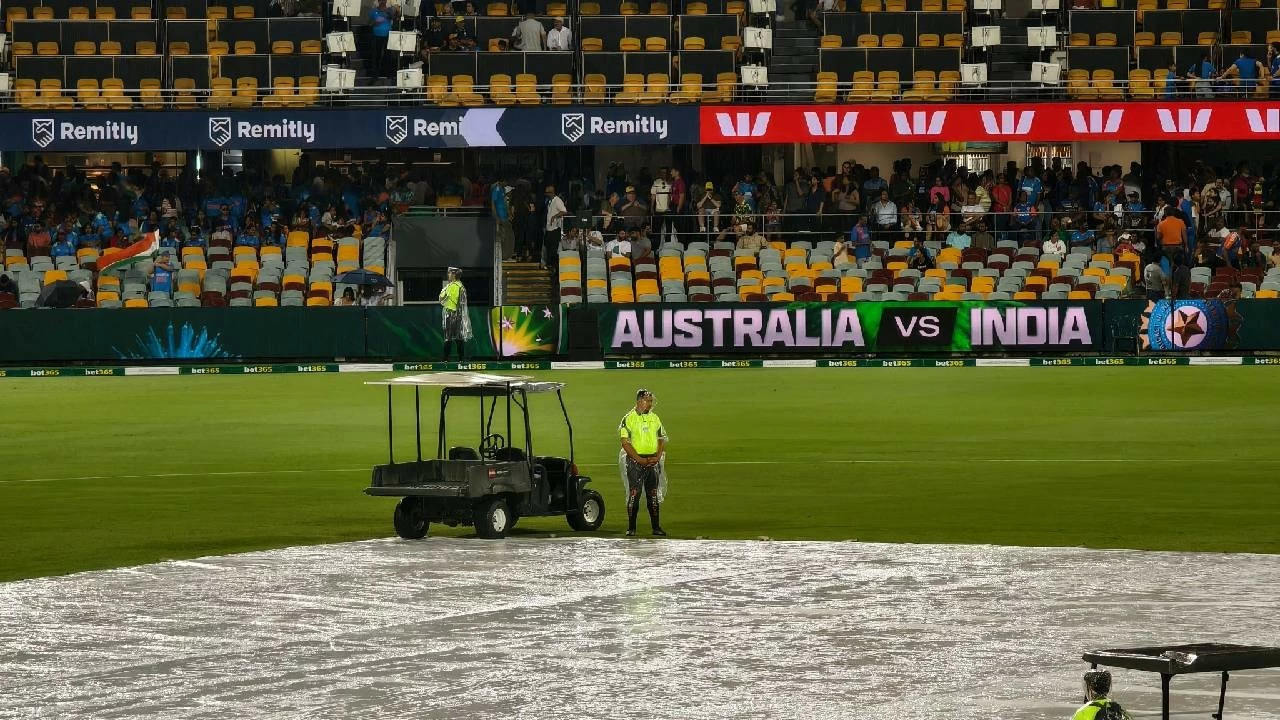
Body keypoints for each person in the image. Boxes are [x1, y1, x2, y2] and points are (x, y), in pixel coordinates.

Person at [617, 388, 668, 537]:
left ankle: (656, 527)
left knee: (653, 494)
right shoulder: (629, 418)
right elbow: (624, 442)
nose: (651, 404)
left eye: (651, 401)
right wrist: (639, 459)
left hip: (652, 461)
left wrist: (657, 457)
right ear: (639, 401)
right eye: (648, 401)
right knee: (634, 494)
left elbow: (661, 439)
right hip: (635, 462)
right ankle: (631, 528)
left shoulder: (655, 418)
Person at [439, 266, 472, 361]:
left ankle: (448, 360)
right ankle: (457, 360)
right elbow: (441, 298)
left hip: (454, 315)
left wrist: (458, 315)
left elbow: (461, 303)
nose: (448, 275)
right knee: (454, 338)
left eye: (450, 273)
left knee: (453, 338)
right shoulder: (453, 286)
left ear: (454, 275)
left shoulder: (458, 287)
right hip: (451, 315)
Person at [368, 0, 397, 79]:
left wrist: (390, 13)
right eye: (381, 0)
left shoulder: (389, 11)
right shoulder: (373, 11)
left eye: (384, 0)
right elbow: (369, 23)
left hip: (388, 36)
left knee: (388, 55)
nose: (383, 2)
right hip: (376, 36)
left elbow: (394, 16)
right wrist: (375, 22)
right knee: (376, 55)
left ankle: (389, 74)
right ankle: (375, 74)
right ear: (378, 1)